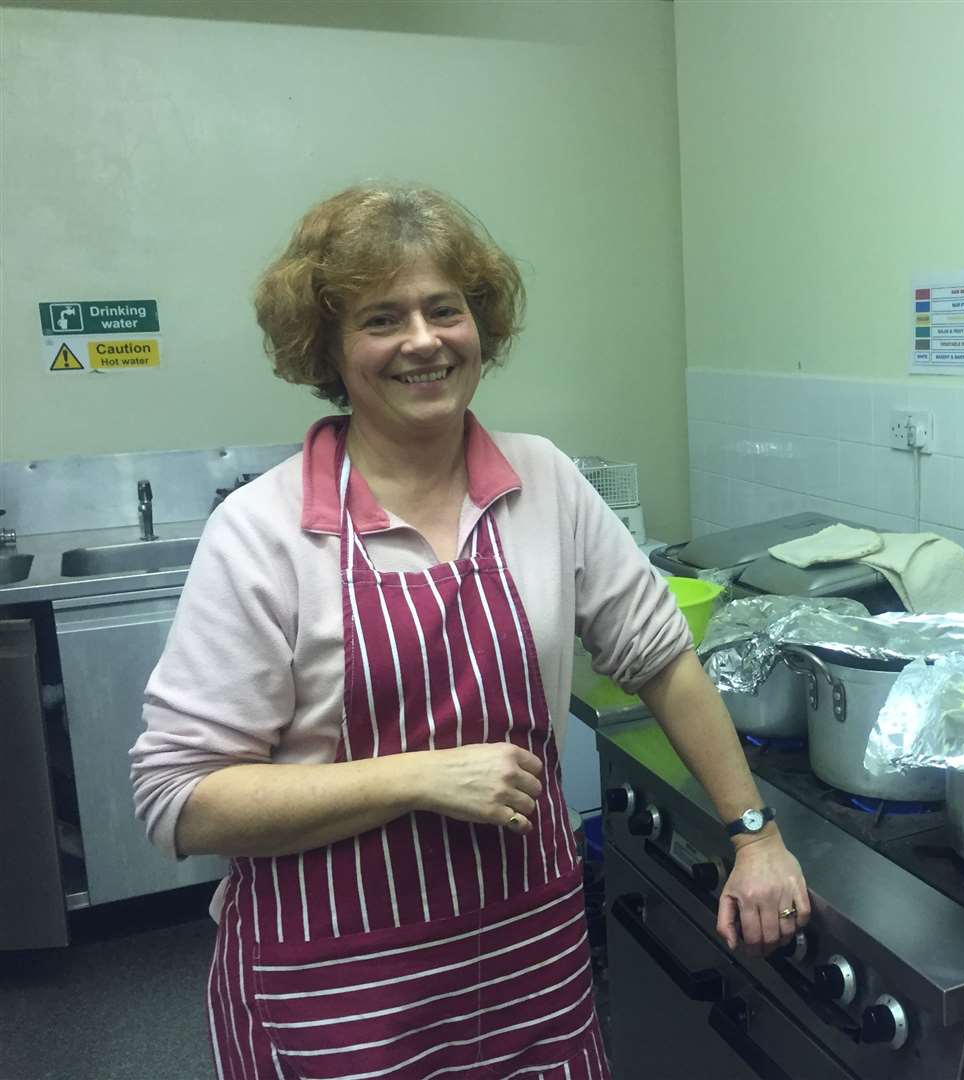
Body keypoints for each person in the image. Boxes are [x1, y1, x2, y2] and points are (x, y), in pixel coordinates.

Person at [130, 184, 810, 1080]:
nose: (422, 340)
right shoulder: (263, 532)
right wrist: (418, 778)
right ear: (330, 350)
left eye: (443, 309)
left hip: (527, 956)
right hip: (338, 986)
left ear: (478, 324)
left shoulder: (545, 481)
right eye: (381, 318)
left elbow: (663, 661)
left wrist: (755, 835)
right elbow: (179, 797)